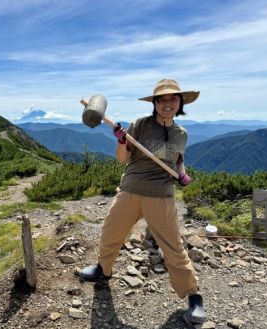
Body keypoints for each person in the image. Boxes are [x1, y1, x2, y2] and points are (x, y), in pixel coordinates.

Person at [78, 78, 206, 324]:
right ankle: (103, 270)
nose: (167, 103)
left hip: (161, 195)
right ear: (155, 103)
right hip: (131, 190)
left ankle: (193, 296)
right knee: (111, 233)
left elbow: (177, 161)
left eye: (172, 99)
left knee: (173, 248)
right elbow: (122, 158)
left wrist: (182, 173)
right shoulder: (140, 125)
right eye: (162, 99)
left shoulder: (181, 134)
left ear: (180, 102)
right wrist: (122, 140)